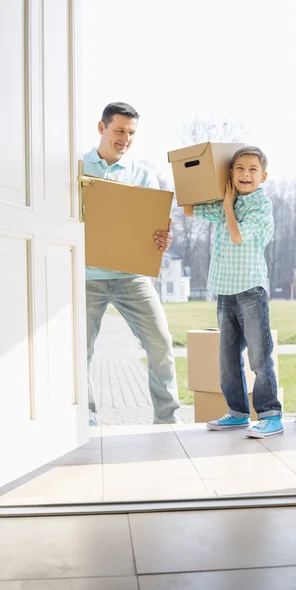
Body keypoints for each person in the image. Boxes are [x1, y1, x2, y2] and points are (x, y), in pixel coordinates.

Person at [84, 102, 180, 426]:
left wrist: (163, 239)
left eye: (131, 133)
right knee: (80, 353)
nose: (125, 138)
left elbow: (156, 226)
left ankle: (168, 421)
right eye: (119, 130)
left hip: (132, 278)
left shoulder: (142, 174)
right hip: (88, 277)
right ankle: (87, 422)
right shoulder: (78, 167)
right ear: (102, 128)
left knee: (161, 345)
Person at [184, 146, 283, 438]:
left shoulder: (259, 205)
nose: (245, 174)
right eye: (239, 168)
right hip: (225, 291)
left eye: (253, 170)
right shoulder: (228, 199)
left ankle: (270, 415)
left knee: (259, 357)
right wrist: (195, 177)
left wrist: (227, 207)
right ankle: (238, 413)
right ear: (230, 173)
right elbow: (189, 209)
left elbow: (237, 235)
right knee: (228, 359)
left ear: (263, 176)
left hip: (251, 290)